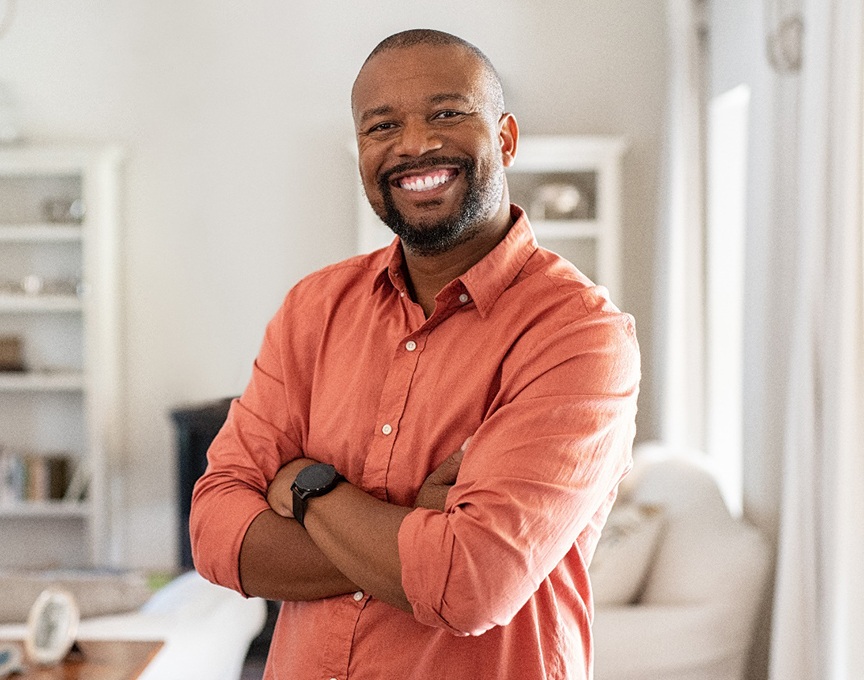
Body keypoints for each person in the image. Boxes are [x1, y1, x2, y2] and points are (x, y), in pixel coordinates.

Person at [190, 28, 640, 680]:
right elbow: (214, 532)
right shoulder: (313, 309)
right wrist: (413, 527)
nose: (414, 143)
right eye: (382, 126)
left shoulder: (577, 335)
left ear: (506, 138)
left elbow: (470, 583)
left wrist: (310, 490)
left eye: (447, 113)